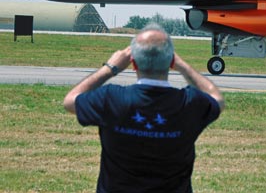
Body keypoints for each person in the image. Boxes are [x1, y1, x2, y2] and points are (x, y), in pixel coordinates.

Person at [63, 24, 224, 193]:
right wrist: (182, 65)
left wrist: (110, 68)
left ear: (132, 63)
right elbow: (217, 99)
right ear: (171, 62)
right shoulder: (189, 102)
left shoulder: (111, 98)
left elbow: (70, 101)